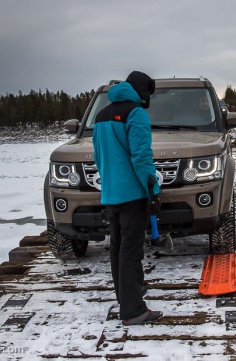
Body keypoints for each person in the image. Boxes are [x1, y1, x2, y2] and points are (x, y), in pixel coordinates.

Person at [93, 71, 163, 326]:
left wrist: (110, 184)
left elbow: (99, 156)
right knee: (131, 251)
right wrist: (152, 191)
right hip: (133, 194)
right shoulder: (136, 114)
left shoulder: (101, 116)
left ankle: (126, 296)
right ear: (143, 92)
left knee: (119, 249)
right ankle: (134, 311)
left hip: (111, 193)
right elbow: (142, 157)